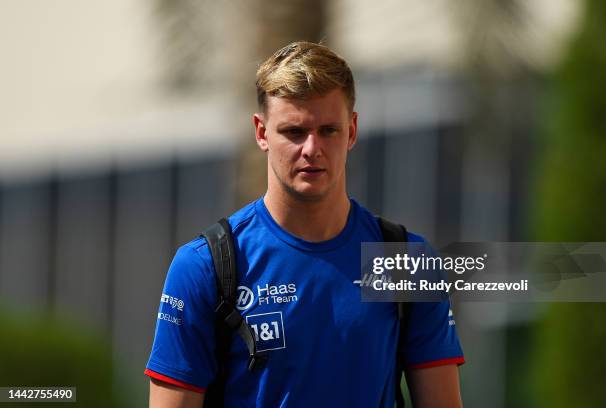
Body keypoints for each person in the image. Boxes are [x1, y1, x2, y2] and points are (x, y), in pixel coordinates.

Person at [144, 41, 465, 407]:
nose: (312, 148)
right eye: (294, 132)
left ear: (353, 130)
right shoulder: (206, 266)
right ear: (262, 132)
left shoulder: (404, 261)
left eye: (328, 130)